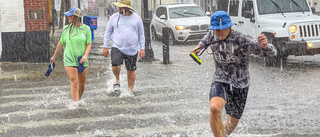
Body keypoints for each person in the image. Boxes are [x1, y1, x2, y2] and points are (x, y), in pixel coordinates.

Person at [190, 11, 276, 137]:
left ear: (230, 26)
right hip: (221, 80)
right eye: (216, 30)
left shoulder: (241, 39)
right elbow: (205, 39)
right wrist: (198, 47)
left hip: (240, 85)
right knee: (214, 108)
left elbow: (272, 53)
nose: (220, 33)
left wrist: (265, 46)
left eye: (223, 29)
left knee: (230, 125)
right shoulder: (212, 35)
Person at [50, 7, 92, 107]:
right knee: (74, 82)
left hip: (82, 60)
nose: (68, 17)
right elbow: (61, 43)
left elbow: (89, 44)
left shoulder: (86, 29)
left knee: (82, 85)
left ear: (76, 17)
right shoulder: (66, 29)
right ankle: (75, 104)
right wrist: (54, 56)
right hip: (69, 59)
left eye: (70, 15)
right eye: (68, 15)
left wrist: (85, 56)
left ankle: (78, 99)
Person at [103, 0, 145, 96]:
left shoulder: (137, 19)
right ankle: (117, 80)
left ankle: (130, 90)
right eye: (119, 7)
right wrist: (105, 46)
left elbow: (141, 34)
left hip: (132, 49)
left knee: (131, 70)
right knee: (115, 65)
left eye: (121, 7)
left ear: (127, 8)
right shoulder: (114, 17)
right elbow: (108, 32)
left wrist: (142, 48)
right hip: (117, 46)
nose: (119, 9)